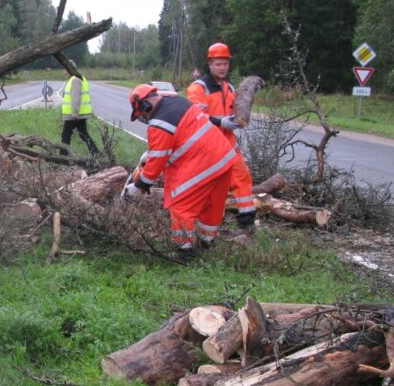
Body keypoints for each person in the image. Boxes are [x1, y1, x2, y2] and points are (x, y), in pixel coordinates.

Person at [122, 84, 238, 259]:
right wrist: (221, 121)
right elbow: (194, 125)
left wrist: (137, 186)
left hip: (202, 162)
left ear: (145, 106)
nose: (145, 118)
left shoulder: (159, 124)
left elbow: (156, 163)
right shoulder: (180, 102)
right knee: (211, 203)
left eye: (143, 114)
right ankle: (207, 241)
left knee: (180, 205)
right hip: (223, 158)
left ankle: (185, 251)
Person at [186, 43, 256, 238]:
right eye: (218, 64)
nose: (222, 67)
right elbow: (195, 118)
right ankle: (199, 226)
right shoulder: (198, 88)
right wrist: (221, 122)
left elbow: (236, 111)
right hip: (207, 144)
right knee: (208, 186)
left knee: (242, 177)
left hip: (228, 143)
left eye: (225, 63)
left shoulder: (229, 87)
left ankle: (247, 223)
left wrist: (241, 114)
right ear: (210, 64)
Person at [59, 73, 99, 155]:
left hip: (74, 115)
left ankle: (62, 156)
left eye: (66, 71)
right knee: (84, 135)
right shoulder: (79, 78)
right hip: (80, 114)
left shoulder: (75, 80)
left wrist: (74, 113)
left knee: (66, 136)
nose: (65, 73)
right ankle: (96, 154)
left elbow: (76, 97)